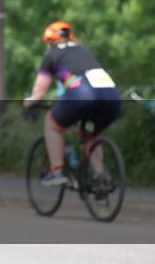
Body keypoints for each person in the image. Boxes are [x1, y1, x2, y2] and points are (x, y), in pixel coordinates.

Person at [23, 21, 121, 187]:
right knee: (91, 135)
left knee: (52, 123)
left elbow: (39, 91)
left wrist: (29, 102)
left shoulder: (51, 55)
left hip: (82, 94)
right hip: (111, 96)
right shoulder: (83, 50)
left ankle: (56, 171)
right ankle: (100, 177)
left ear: (51, 42)